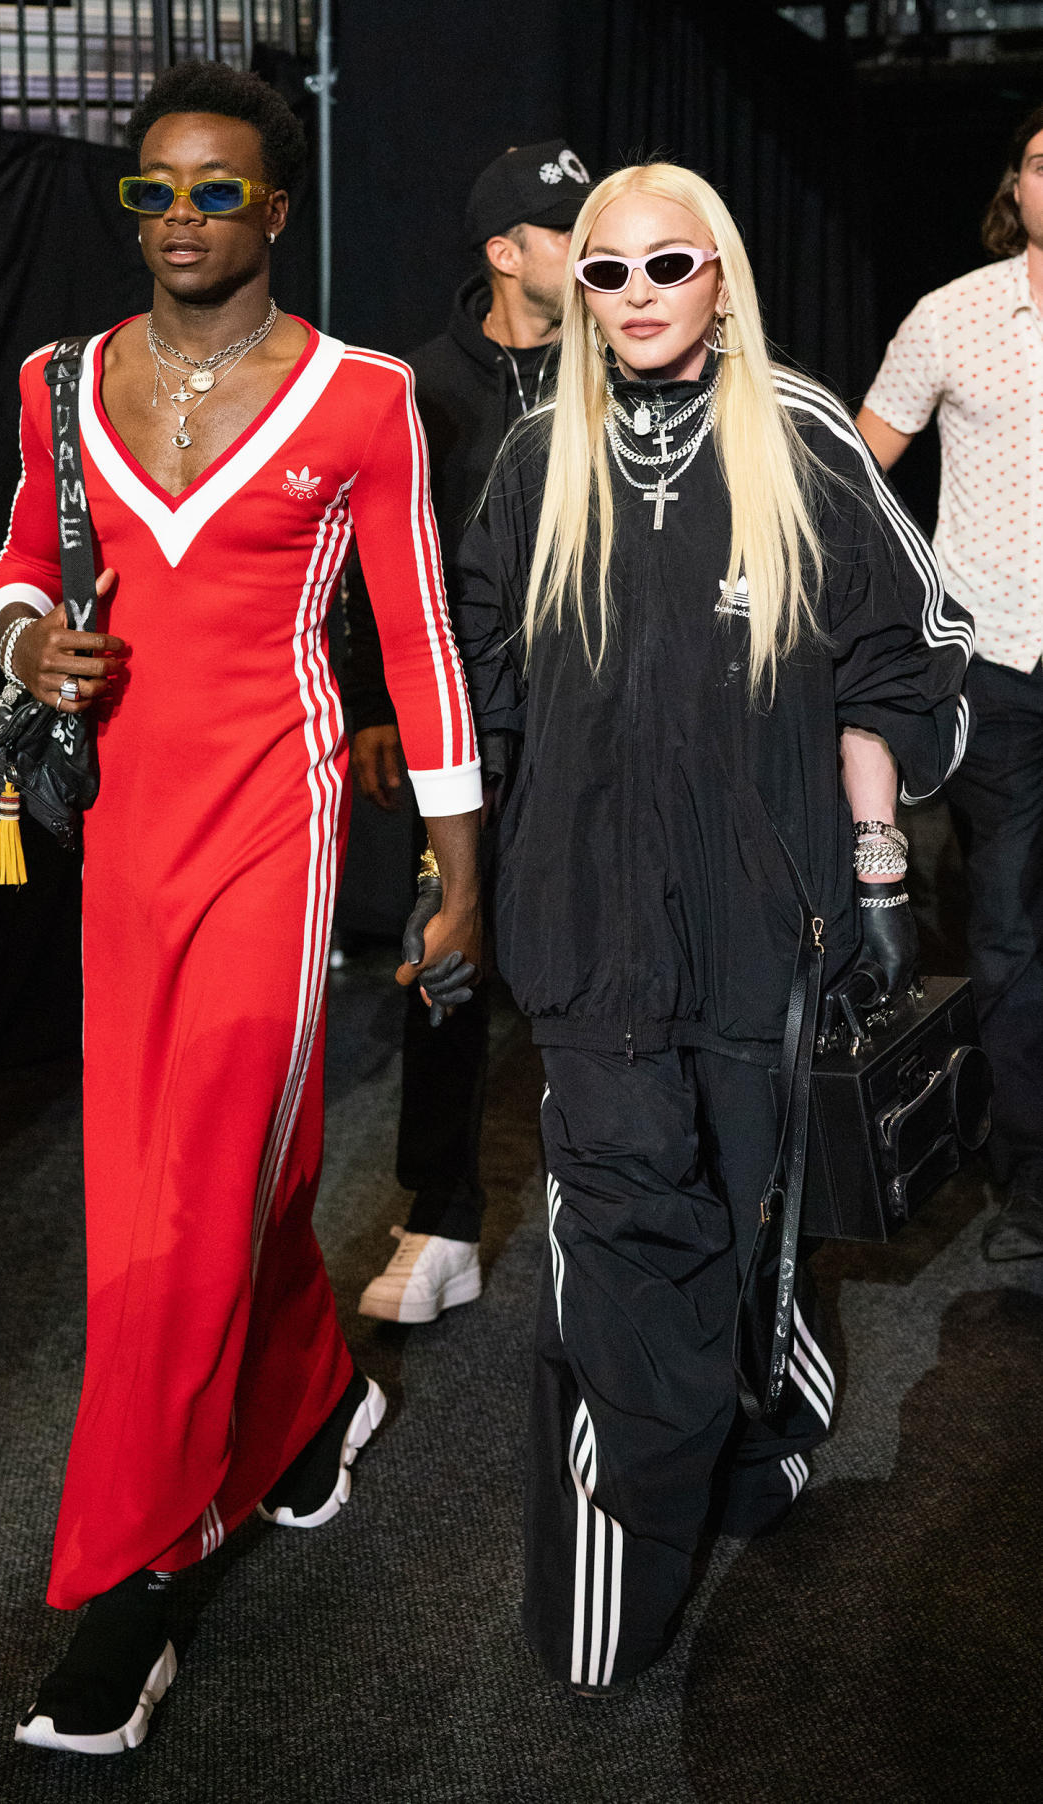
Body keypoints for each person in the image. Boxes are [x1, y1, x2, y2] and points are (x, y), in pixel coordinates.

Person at [0, 60, 481, 1755]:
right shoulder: (59, 383)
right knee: (158, 1196)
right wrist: (28, 642)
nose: (180, 217)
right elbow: (19, 570)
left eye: (216, 189)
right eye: (153, 189)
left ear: (276, 208)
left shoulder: (360, 395)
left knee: (192, 1203)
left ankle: (133, 1587)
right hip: (121, 848)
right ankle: (316, 1397)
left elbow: (415, 639)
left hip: (280, 836)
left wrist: (455, 865)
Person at [455, 161, 972, 1693]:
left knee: (750, 1219)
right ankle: (615, 1581)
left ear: (720, 278)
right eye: (602, 272)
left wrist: (877, 867)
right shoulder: (535, 457)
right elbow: (474, 661)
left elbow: (906, 652)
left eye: (664, 267)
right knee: (623, 1249)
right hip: (586, 943)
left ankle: (764, 1438)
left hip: (774, 928)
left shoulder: (802, 437)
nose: (630, 298)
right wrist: (469, 859)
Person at [347, 140, 591, 1324]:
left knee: (615, 959)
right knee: (444, 955)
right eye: (564, 227)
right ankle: (440, 1215)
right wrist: (377, 702)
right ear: (505, 253)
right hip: (466, 723)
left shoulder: (628, 359)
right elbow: (366, 557)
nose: (591, 244)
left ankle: (622, 1204)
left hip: (605, 724)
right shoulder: (421, 388)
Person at [856, 105, 1043, 1263]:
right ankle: (1030, 1182)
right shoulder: (955, 315)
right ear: (1015, 187)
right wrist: (917, 613)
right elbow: (860, 468)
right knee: (1009, 925)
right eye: (1042, 158)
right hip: (1000, 662)